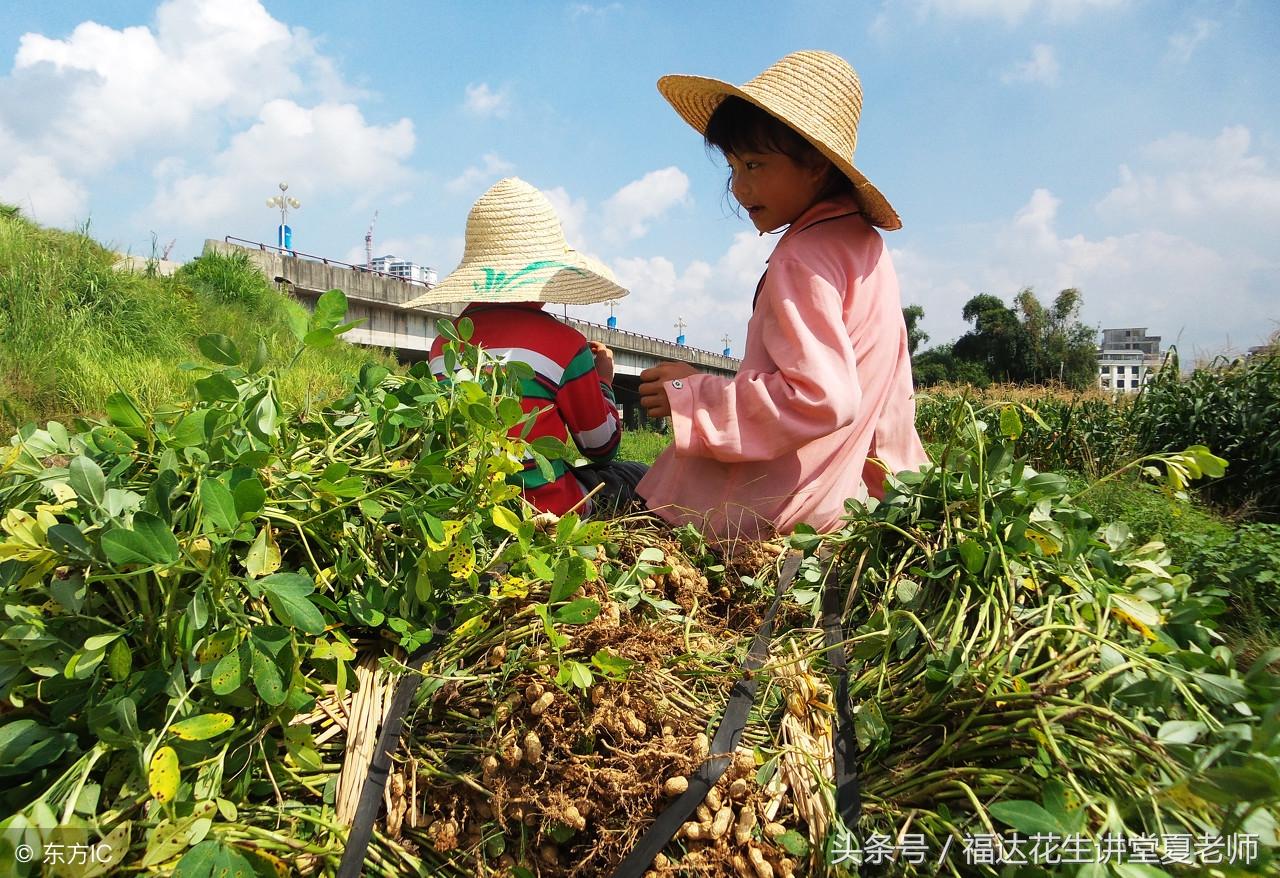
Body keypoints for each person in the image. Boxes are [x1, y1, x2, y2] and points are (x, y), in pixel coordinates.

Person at [636, 51, 929, 541]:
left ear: (816, 166)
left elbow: (821, 397)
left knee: (635, 504)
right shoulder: (863, 245)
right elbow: (888, 397)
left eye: (755, 164)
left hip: (784, 511)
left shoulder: (801, 257)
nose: (739, 186)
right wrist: (893, 488)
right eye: (732, 165)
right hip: (847, 499)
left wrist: (695, 393)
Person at [407, 177, 648, 517]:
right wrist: (604, 383)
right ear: (544, 276)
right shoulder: (565, 345)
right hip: (546, 510)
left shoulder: (442, 346)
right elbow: (601, 448)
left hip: (471, 507)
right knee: (638, 475)